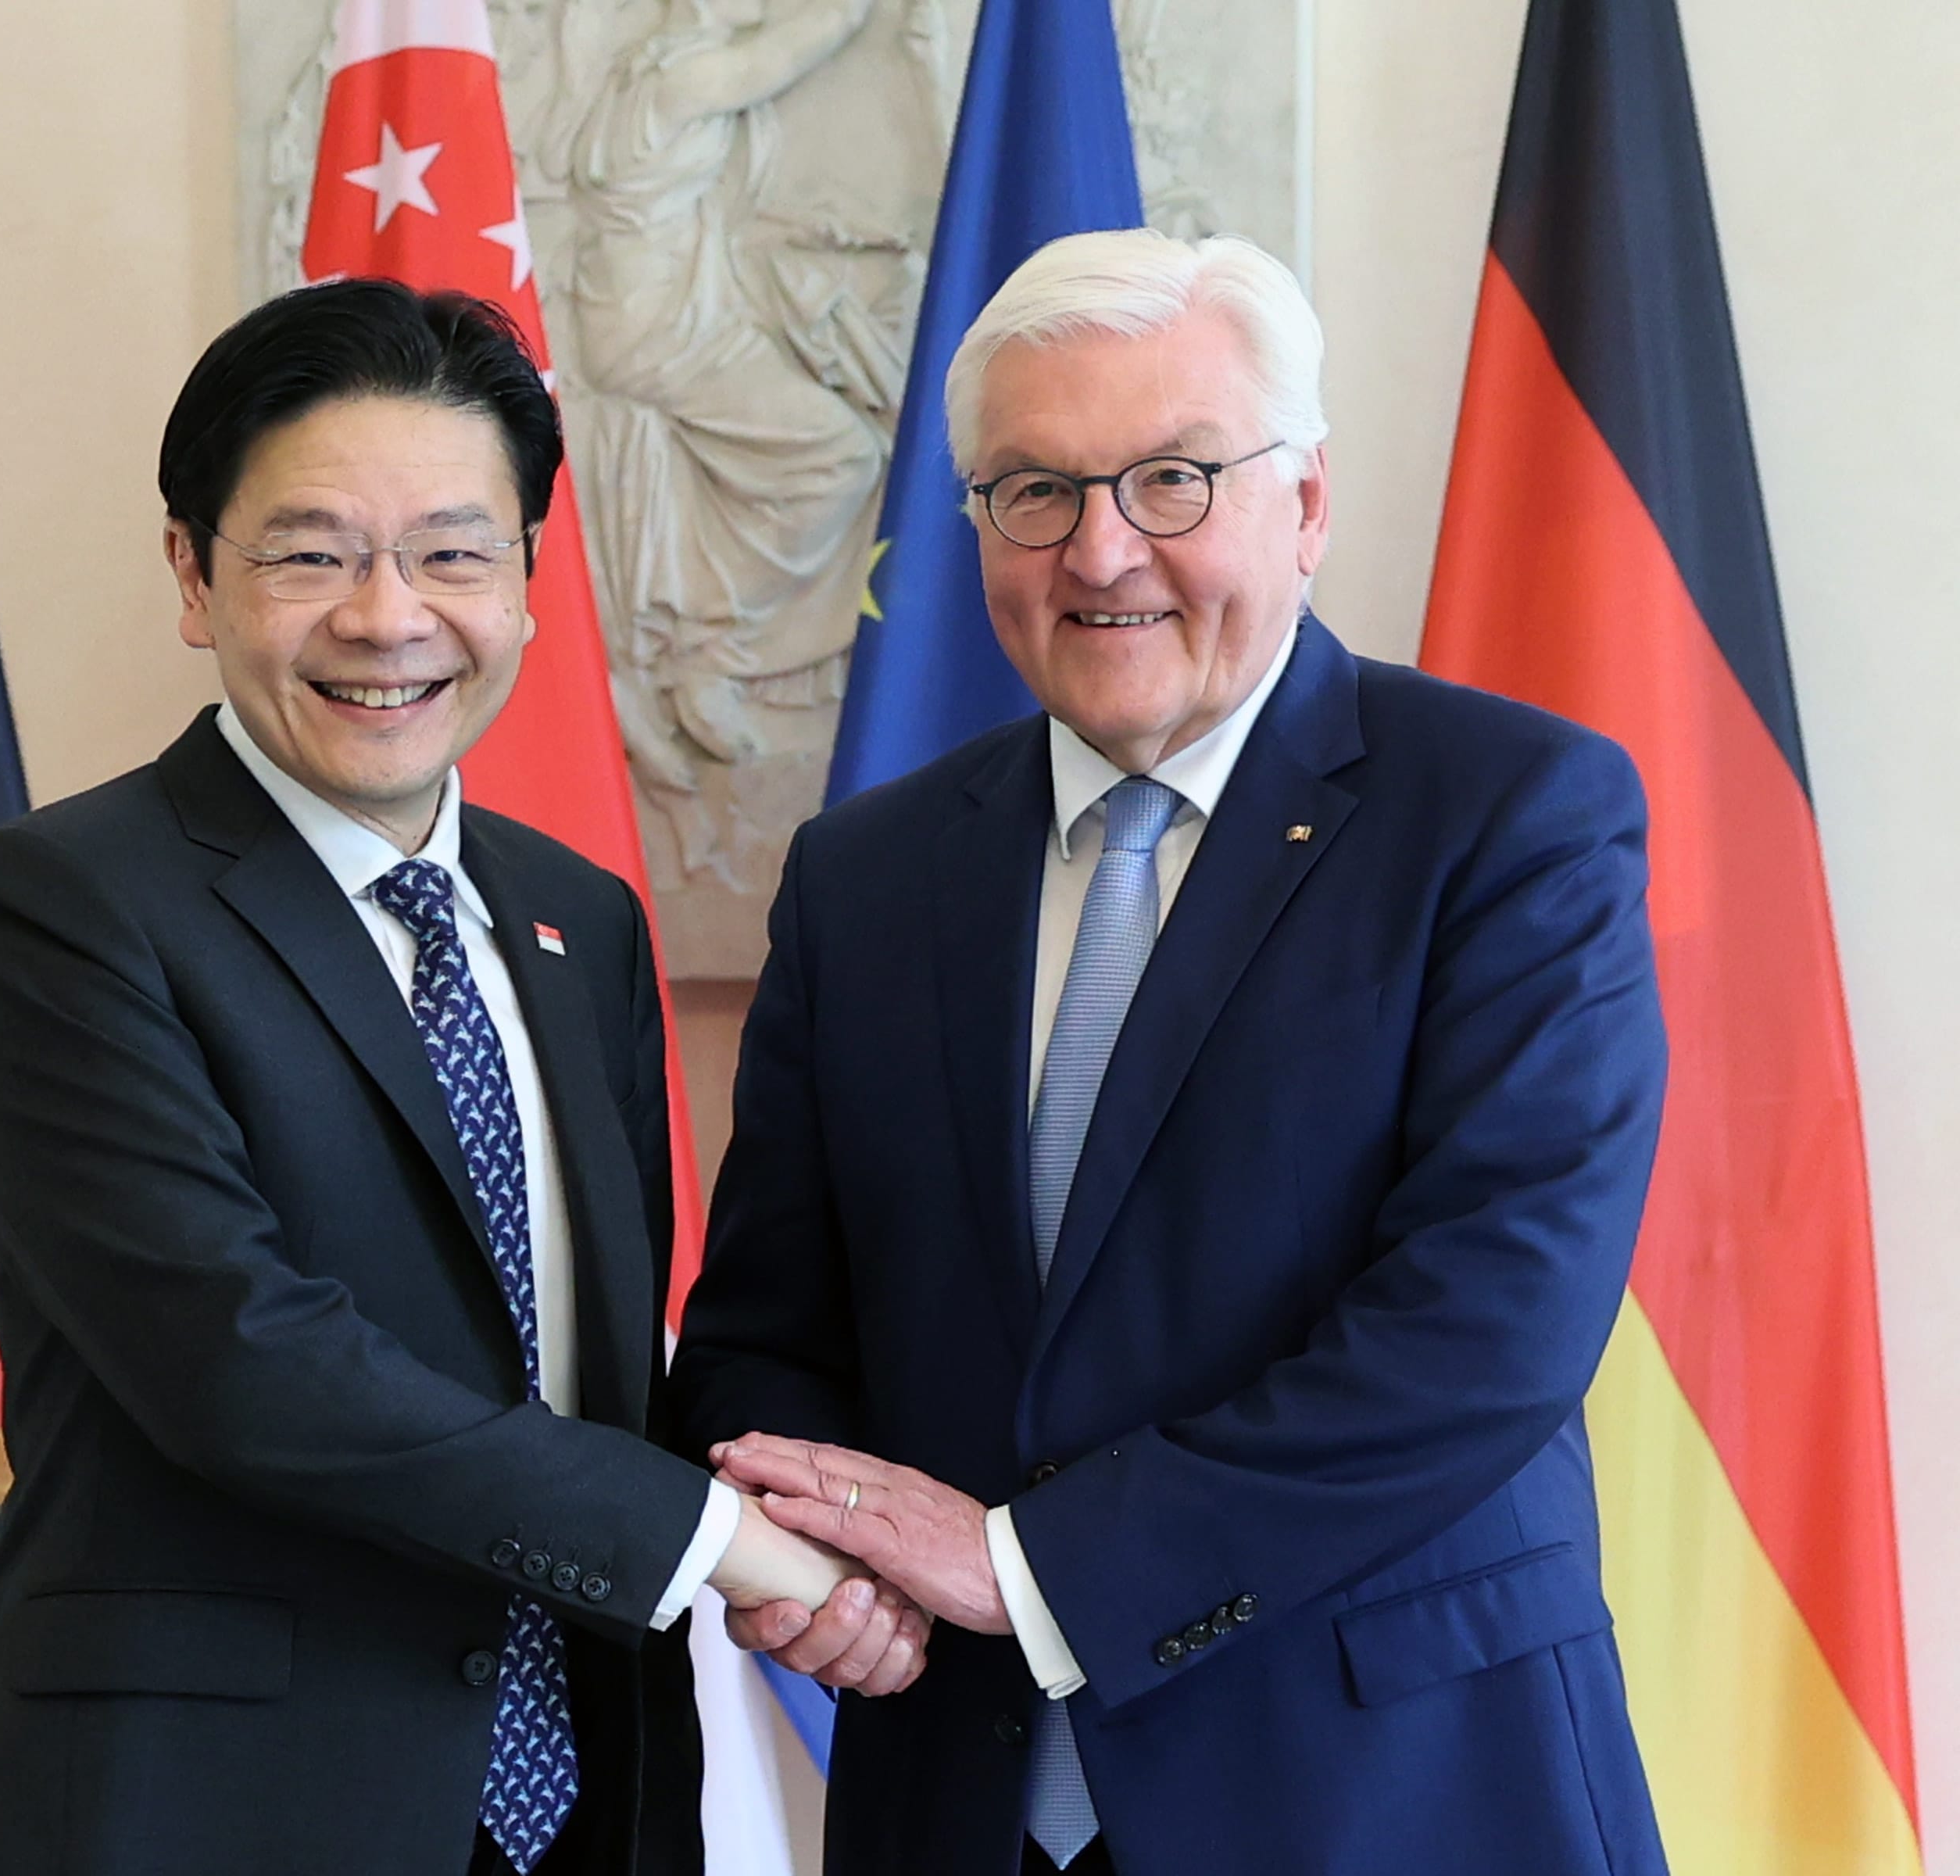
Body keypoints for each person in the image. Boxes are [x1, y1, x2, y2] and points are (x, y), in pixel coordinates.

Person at [670, 229, 1672, 1875]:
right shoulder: (868, 874)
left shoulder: (1508, 817)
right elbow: (770, 1330)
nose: (1102, 549)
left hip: (1393, 1792)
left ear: (1310, 503)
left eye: (1174, 479)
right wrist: (815, 1563)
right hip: (960, 1796)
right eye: (1033, 490)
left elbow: (1490, 1329)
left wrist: (1038, 1571)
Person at [0, 278, 916, 1876]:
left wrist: (843, 1526)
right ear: (192, 572)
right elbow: (245, 1361)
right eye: (313, 553)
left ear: (524, 583)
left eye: (454, 553)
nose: (389, 617)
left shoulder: (580, 918)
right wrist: (730, 1551)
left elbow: (608, 1368)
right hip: (207, 1812)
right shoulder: (65, 904)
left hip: (587, 1793)